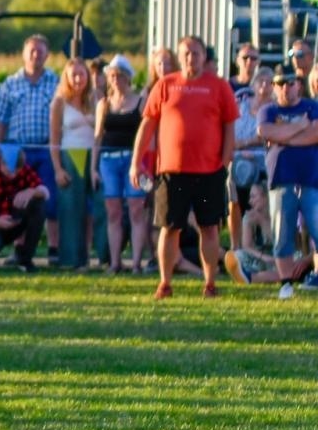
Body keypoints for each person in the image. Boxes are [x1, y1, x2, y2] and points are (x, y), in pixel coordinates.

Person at [132, 35, 237, 299]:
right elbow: (147, 125)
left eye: (196, 53)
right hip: (172, 171)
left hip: (209, 171)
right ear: (180, 57)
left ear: (205, 56)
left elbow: (229, 127)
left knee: (209, 227)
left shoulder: (219, 87)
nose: (191, 58)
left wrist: (224, 163)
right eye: (186, 53)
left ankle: (210, 283)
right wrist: (136, 163)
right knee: (170, 228)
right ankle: (165, 283)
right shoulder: (166, 85)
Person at [0, 35, 60, 262]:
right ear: (23, 53)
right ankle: (18, 249)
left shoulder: (56, 82)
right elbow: (0, 119)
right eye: (31, 50)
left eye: (40, 51)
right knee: (16, 200)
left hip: (47, 148)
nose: (35, 55)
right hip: (16, 151)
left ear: (47, 55)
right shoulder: (11, 83)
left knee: (50, 198)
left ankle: (53, 249)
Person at [255, 63, 318, 299]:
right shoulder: (268, 110)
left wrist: (285, 136)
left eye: (290, 83)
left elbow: (316, 134)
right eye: (280, 84)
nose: (286, 88)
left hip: (311, 181)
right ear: (274, 87)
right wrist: (300, 126)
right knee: (283, 233)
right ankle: (285, 282)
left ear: (299, 85)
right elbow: (265, 132)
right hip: (282, 180)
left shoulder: (312, 107)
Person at [92, 56, 150, 274]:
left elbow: (146, 132)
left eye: (119, 76)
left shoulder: (139, 102)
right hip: (108, 160)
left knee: (136, 209)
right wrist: (93, 168)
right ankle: (115, 261)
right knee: (113, 211)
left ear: (128, 78)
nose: (116, 80)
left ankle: (136, 262)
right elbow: (98, 137)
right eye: (112, 76)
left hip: (133, 160)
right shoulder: (104, 105)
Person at [49, 58, 97, 268]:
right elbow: (54, 139)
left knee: (97, 209)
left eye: (82, 74)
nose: (78, 79)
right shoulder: (59, 103)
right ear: (67, 77)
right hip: (70, 156)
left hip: (94, 157)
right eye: (73, 74)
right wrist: (58, 168)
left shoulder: (96, 99)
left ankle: (96, 256)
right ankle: (70, 259)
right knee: (70, 209)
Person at [229, 66, 272, 252]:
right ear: (253, 85)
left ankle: (265, 243)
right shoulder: (241, 107)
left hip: (266, 160)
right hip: (239, 161)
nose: (264, 85)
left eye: (269, 82)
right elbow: (232, 138)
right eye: (260, 81)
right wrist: (251, 142)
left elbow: (273, 138)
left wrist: (247, 143)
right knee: (235, 199)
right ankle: (236, 245)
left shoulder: (275, 108)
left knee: (266, 200)